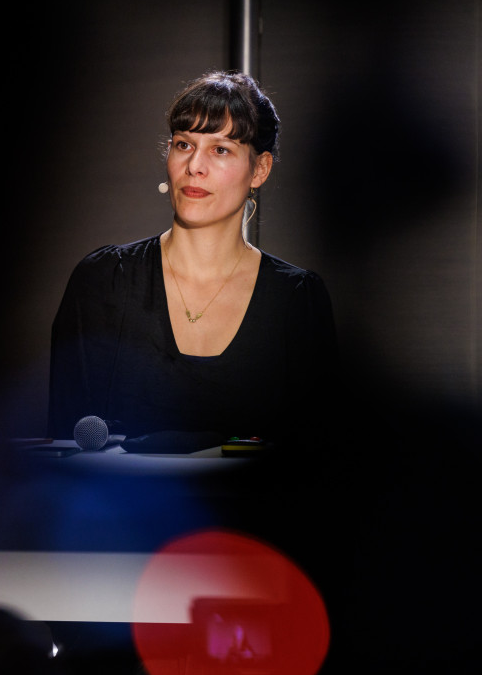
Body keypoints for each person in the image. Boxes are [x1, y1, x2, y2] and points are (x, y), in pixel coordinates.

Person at [48, 71, 337, 450]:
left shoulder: (296, 299)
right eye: (184, 144)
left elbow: (317, 461)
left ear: (260, 169)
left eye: (220, 149)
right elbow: (67, 452)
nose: (194, 166)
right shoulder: (104, 281)